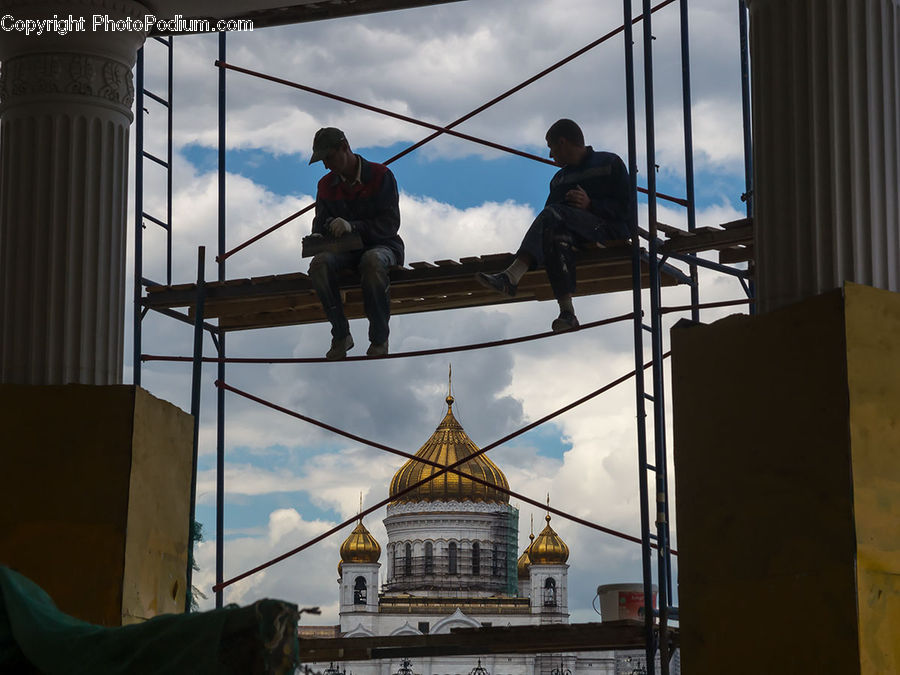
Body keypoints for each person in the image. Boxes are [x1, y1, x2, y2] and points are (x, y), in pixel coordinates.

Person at [476, 119, 632, 331]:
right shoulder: (560, 179)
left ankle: (512, 275)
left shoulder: (609, 163)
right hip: (575, 235)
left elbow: (627, 210)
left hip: (607, 232)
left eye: (551, 148)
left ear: (563, 142)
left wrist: (591, 204)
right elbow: (549, 223)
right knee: (554, 237)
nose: (550, 155)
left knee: (553, 214)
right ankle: (567, 312)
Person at [306, 127, 404, 359]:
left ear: (344, 147)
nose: (326, 165)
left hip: (383, 246)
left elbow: (390, 224)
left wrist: (354, 226)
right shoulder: (325, 185)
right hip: (345, 251)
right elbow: (319, 224)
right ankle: (341, 335)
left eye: (328, 157)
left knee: (371, 262)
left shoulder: (381, 176)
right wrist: (319, 236)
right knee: (319, 264)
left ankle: (379, 339)